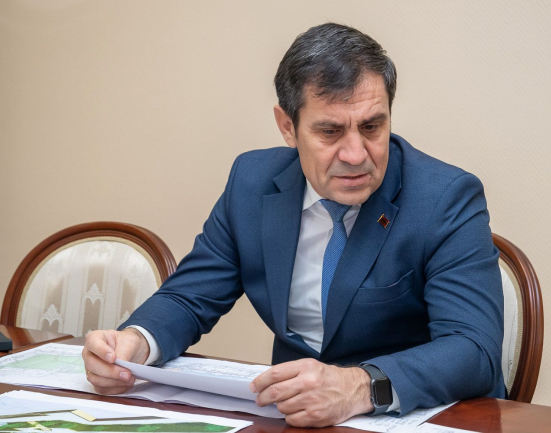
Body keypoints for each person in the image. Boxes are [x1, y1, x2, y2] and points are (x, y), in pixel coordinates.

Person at [82, 23, 505, 428]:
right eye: (331, 131)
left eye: (372, 127)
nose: (356, 154)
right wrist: (136, 342)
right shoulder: (252, 183)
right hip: (293, 420)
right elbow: (190, 297)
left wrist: (359, 387)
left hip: (418, 418)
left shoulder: (445, 198)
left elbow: (473, 349)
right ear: (288, 127)